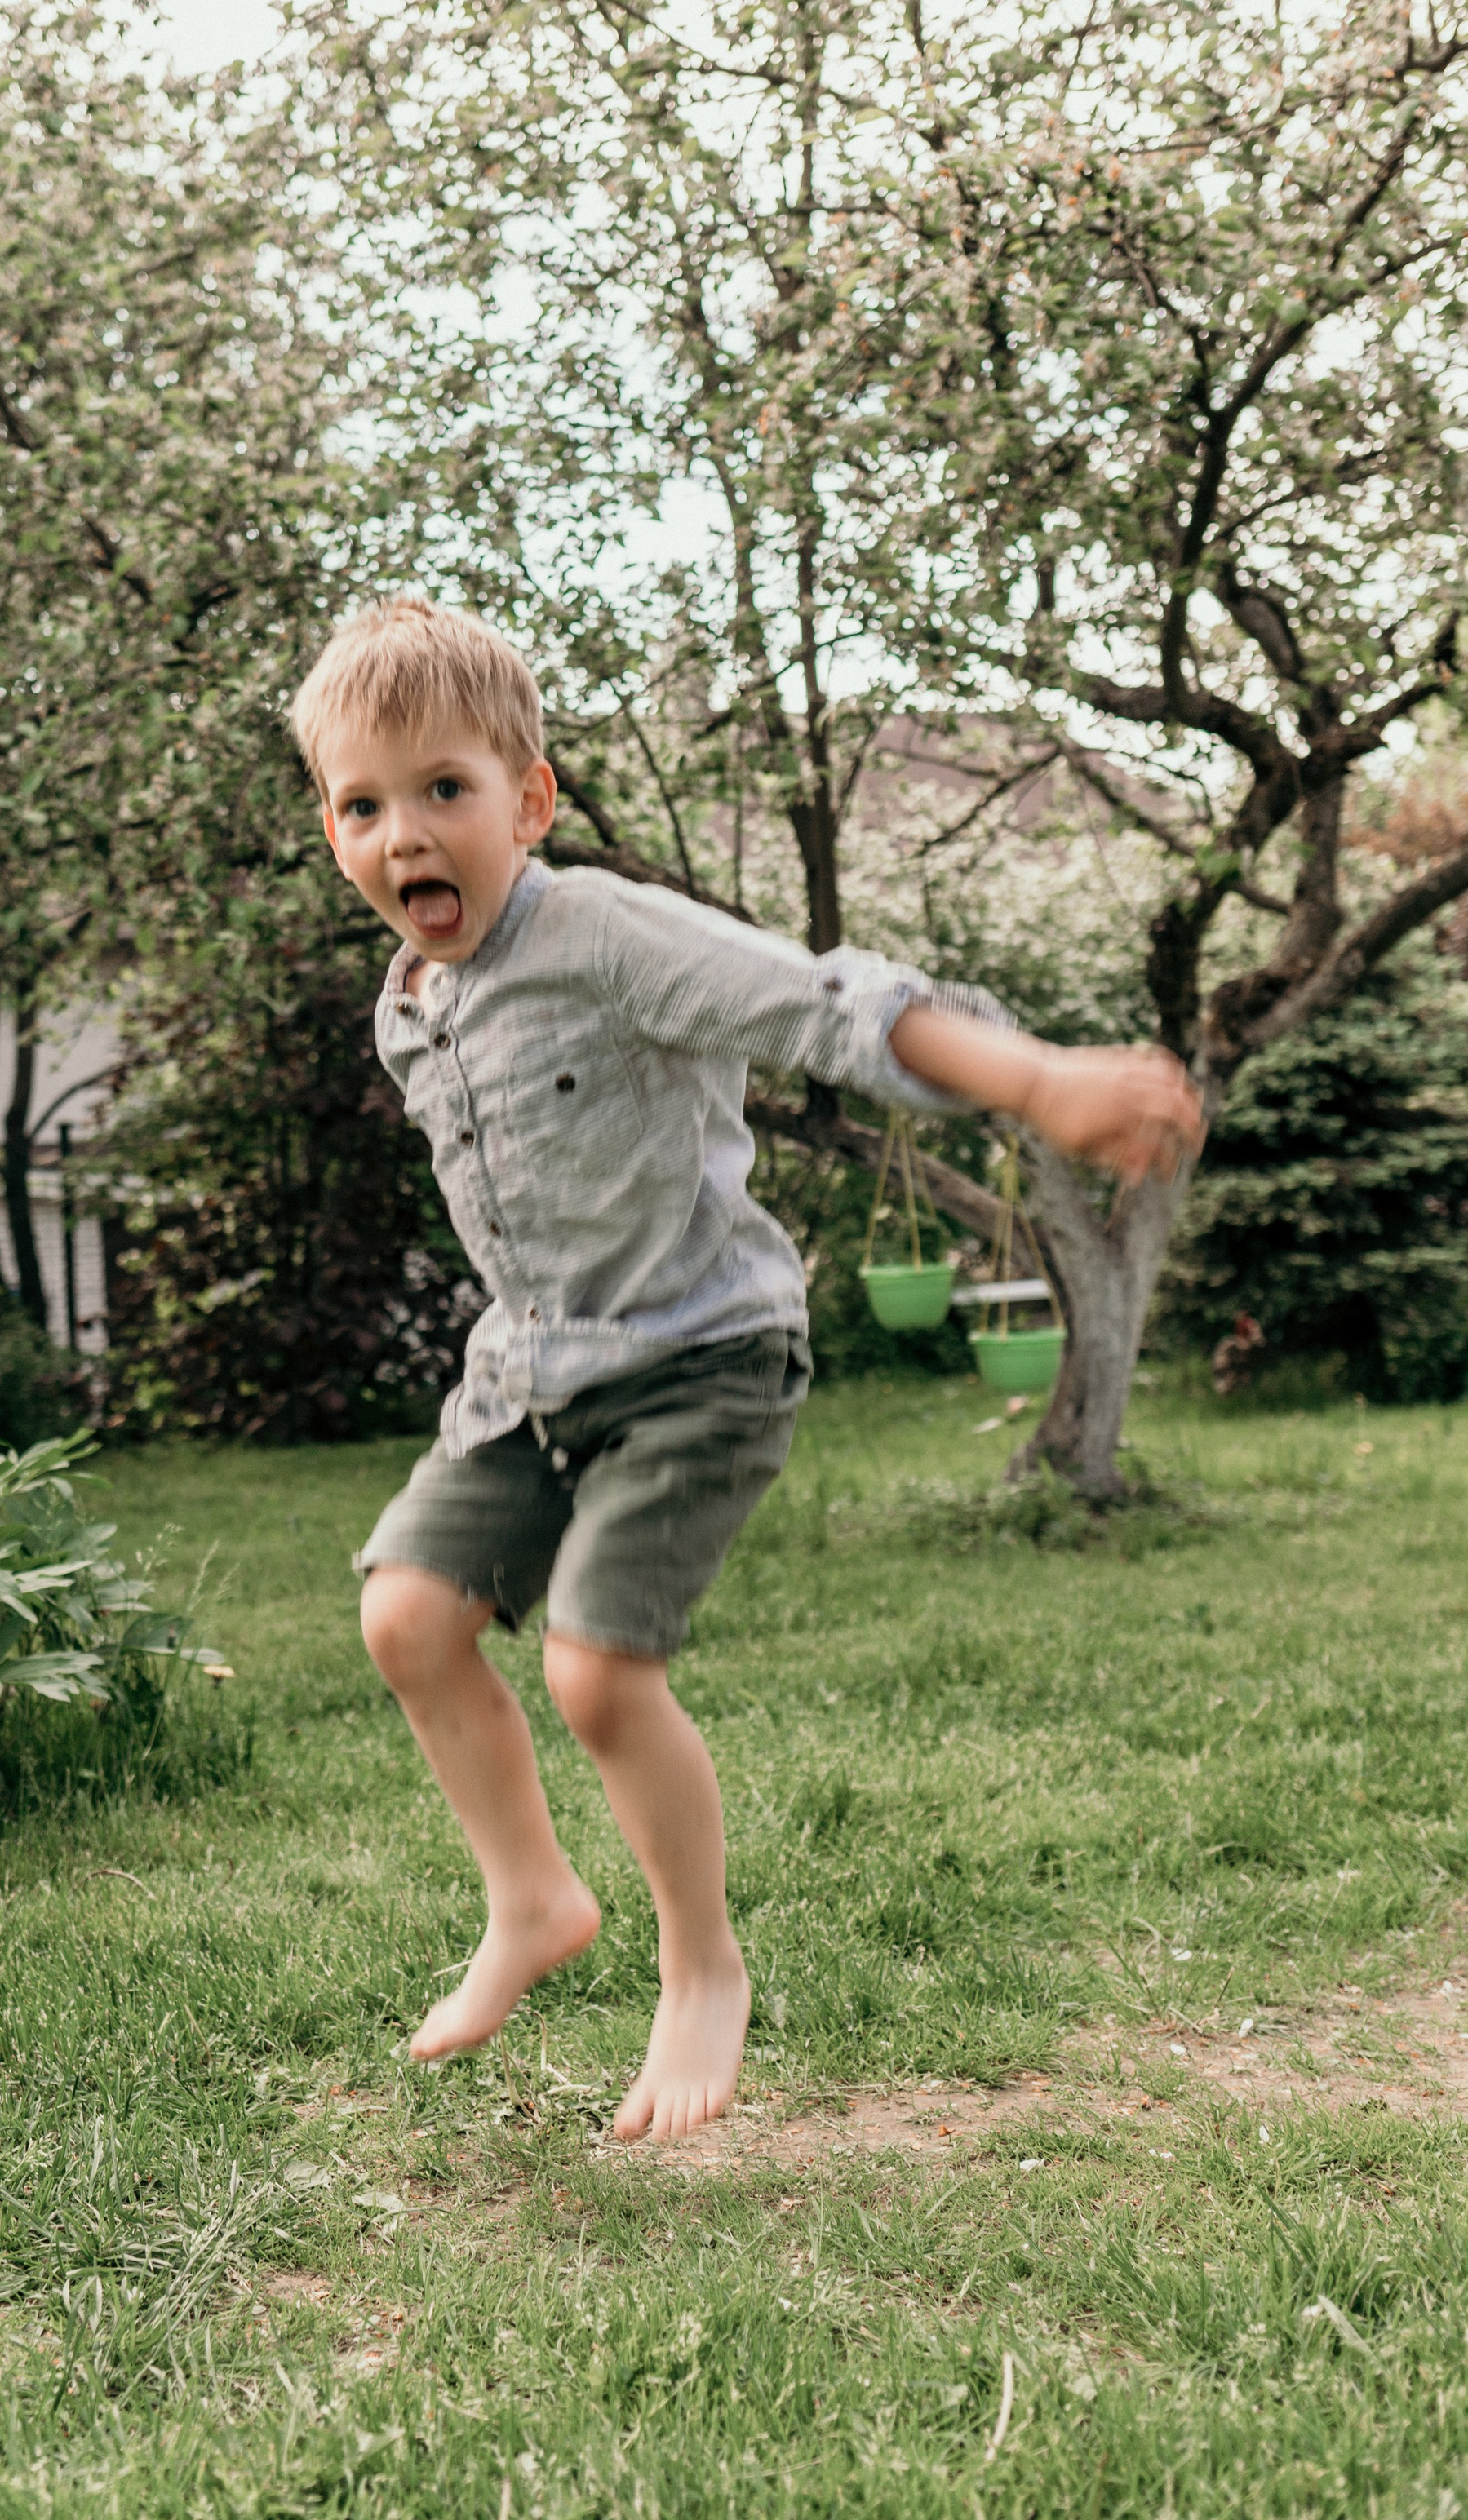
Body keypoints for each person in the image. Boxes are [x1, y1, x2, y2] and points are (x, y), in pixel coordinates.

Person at [290, 597, 1204, 2144]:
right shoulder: (410, 1008)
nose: (403, 835)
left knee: (592, 1668)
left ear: (531, 796)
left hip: (704, 1351)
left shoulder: (602, 933)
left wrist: (1038, 1079)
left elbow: (812, 1002)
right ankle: (532, 1900)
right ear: (333, 831)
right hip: (528, 1375)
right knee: (405, 1616)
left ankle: (701, 1963)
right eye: (363, 806)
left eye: (443, 789)